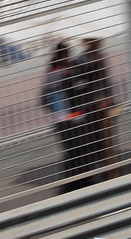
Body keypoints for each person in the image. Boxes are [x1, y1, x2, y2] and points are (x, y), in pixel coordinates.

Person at [67, 37, 118, 184]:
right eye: (95, 41)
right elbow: (78, 83)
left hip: (104, 106)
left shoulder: (99, 56)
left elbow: (105, 81)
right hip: (92, 107)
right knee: (97, 141)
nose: (99, 44)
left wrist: (109, 98)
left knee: (107, 141)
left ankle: (112, 172)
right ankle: (103, 173)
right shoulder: (82, 59)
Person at [39, 40, 78, 190]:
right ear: (63, 54)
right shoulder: (64, 73)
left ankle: (72, 181)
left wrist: (54, 109)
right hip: (70, 118)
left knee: (70, 150)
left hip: (59, 119)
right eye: (68, 54)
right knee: (75, 150)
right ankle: (73, 182)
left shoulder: (50, 73)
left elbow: (43, 99)